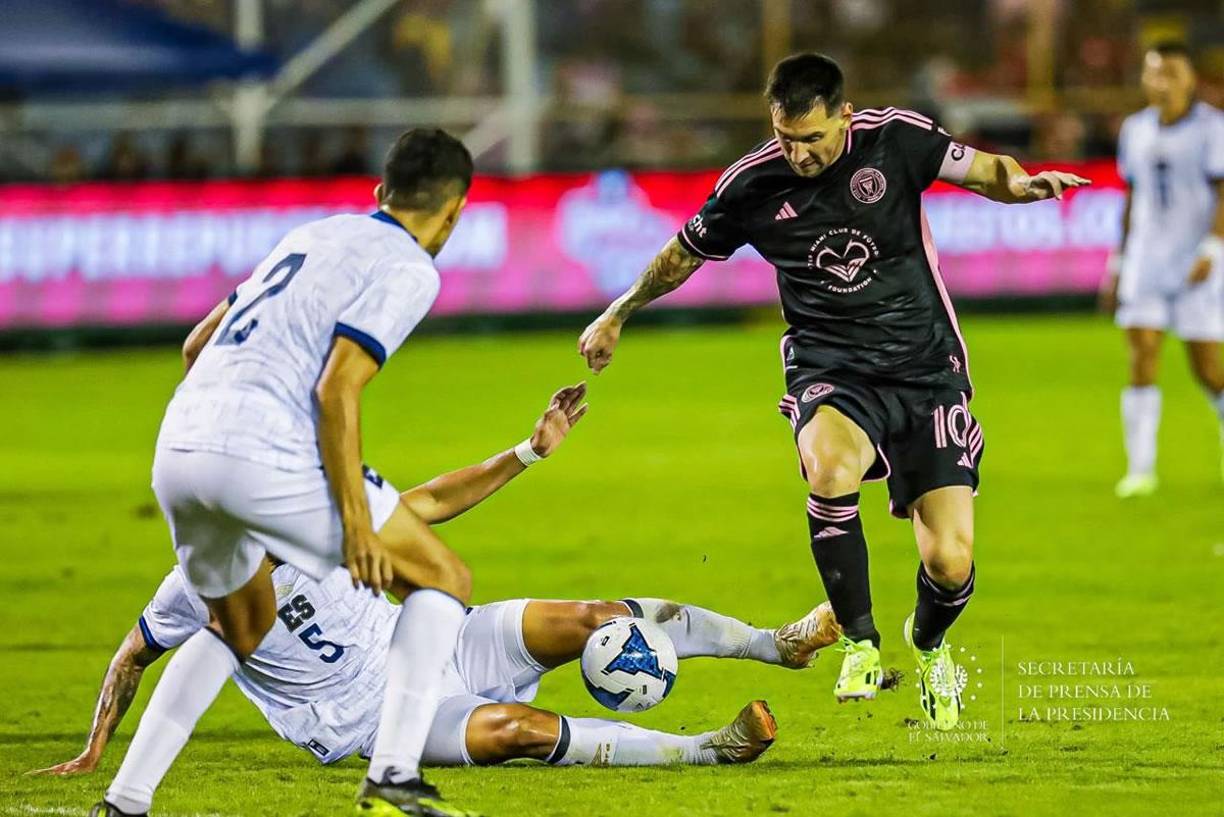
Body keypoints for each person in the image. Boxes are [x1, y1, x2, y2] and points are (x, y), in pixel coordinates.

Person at [578, 52, 1089, 731]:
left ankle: (928, 643)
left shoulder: (895, 139)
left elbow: (984, 168)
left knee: (949, 558)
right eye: (787, 137)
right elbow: (682, 254)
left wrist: (1023, 185)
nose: (800, 153)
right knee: (828, 464)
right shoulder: (752, 185)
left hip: (924, 366)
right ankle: (859, 639)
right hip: (831, 363)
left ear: (844, 117)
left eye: (813, 139)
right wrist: (619, 311)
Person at [32, 389, 851, 774]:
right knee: (523, 731)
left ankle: (775, 646)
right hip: (366, 716)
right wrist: (94, 747)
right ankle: (702, 753)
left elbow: (427, 501)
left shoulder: (318, 510)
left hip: (434, 639)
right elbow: (133, 654)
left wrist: (529, 450)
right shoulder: (197, 582)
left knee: (595, 615)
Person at [94, 128, 481, 817]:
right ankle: (393, 774)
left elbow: (194, 345)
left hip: (180, 448)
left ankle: (124, 801)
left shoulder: (310, 235)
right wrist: (356, 523)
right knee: (443, 577)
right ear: (453, 211)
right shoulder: (411, 266)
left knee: (238, 624)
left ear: (379, 192)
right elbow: (338, 389)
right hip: (264, 451)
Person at [1100, 42, 1224, 497]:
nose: (1162, 82)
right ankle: (1141, 470)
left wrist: (1213, 247)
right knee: (1141, 357)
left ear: (1190, 79)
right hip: (1146, 261)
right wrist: (1118, 260)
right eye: (1154, 73)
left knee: (1209, 370)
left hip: (1198, 263)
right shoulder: (1135, 129)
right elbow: (1132, 199)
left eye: (1171, 72)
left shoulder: (1213, 128)